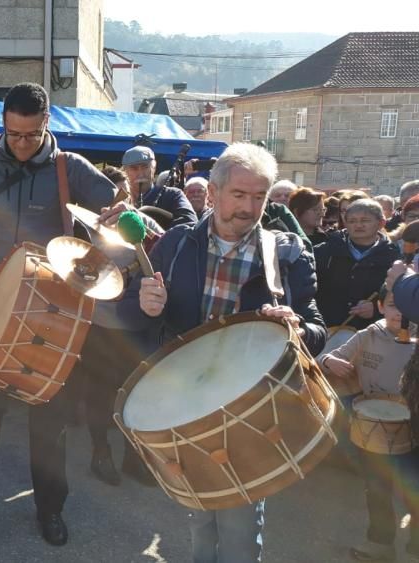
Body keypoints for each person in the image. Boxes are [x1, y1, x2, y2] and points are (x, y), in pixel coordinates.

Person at [0, 82, 117, 546]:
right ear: (4, 125)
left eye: (32, 134)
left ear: (47, 124)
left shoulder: (69, 169)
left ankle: (50, 510)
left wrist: (112, 220)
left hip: (51, 310)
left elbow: (113, 204)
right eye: (14, 133)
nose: (22, 142)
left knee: (48, 422)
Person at [118, 142, 326, 563]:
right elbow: (128, 315)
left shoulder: (286, 252)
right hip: (187, 402)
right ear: (212, 194)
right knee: (198, 513)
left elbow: (318, 329)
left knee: (241, 527)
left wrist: (297, 325)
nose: (250, 207)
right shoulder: (176, 243)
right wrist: (143, 305)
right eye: (239, 194)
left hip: (251, 407)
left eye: (259, 196)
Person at [320, 291, 419, 561]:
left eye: (407, 307)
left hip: (413, 427)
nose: (400, 313)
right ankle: (380, 543)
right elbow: (325, 359)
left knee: (415, 488)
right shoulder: (368, 335)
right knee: (376, 488)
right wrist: (330, 361)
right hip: (373, 426)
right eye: (392, 306)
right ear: (379, 307)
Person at [315, 199, 400, 330]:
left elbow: (400, 299)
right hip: (328, 331)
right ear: (345, 223)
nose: (358, 225)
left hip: (372, 333)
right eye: (352, 221)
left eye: (365, 220)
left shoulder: (394, 257)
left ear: (381, 223)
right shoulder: (324, 252)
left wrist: (376, 309)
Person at [118, 145, 197, 228]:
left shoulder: (172, 195)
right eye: (134, 168)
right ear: (125, 171)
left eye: (145, 167)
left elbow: (190, 223)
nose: (140, 173)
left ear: (154, 167)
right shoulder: (118, 198)